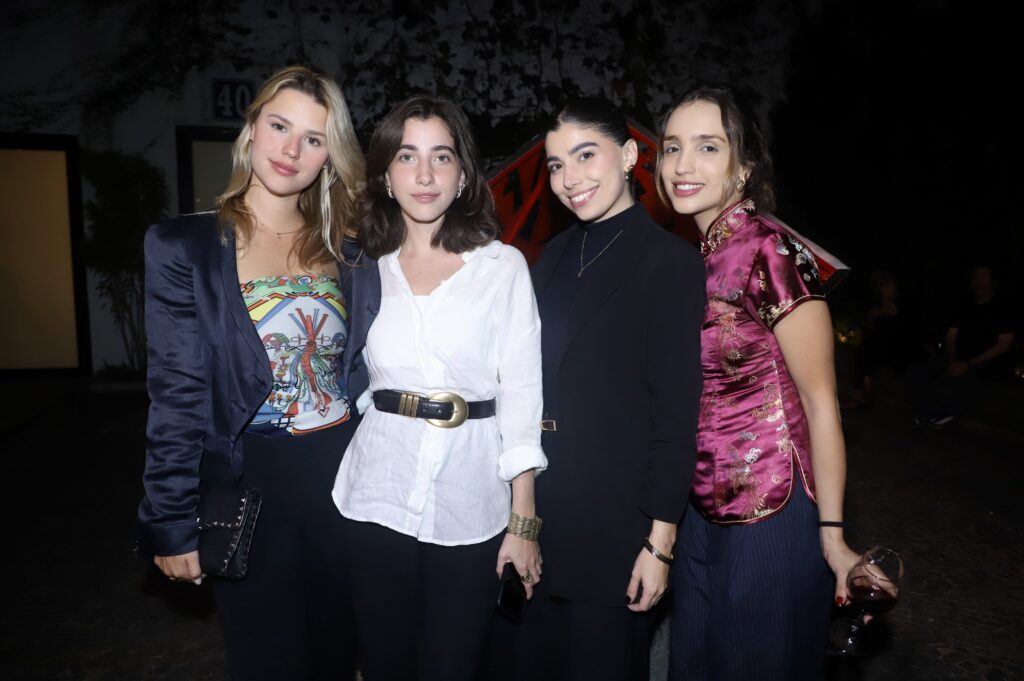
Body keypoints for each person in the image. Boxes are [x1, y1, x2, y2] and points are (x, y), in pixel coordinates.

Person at [136, 65, 374, 681]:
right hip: (250, 491)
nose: (291, 150)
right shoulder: (186, 246)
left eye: (313, 138)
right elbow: (177, 392)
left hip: (345, 487)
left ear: (329, 156)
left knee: (336, 659)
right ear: (251, 129)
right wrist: (170, 518)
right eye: (279, 126)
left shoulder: (350, 249)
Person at [329, 95, 546, 681]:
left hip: (470, 505)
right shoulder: (361, 267)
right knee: (384, 666)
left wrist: (523, 523)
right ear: (385, 174)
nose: (424, 175)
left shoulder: (501, 267)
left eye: (441, 156)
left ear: (463, 174)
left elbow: (523, 394)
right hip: (374, 496)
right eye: (407, 156)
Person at [496, 97, 704, 681]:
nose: (569, 179)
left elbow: (676, 419)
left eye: (586, 155)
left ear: (630, 156)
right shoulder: (550, 258)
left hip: (619, 532)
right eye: (556, 165)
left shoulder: (672, 264)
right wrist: (521, 518)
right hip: (543, 519)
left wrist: (660, 544)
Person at [657, 85, 861, 681]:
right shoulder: (691, 258)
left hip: (773, 505)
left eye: (707, 147)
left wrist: (833, 535)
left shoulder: (771, 250)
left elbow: (821, 403)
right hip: (699, 507)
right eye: (672, 147)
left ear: (744, 166)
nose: (683, 164)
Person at [910, 263, 1017, 427]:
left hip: (986, 360)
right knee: (921, 369)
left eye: (984, 277)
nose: (979, 281)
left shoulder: (1003, 308)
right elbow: (951, 336)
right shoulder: (964, 305)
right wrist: (953, 359)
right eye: (975, 277)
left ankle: (946, 413)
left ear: (993, 281)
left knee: (967, 378)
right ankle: (923, 411)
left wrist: (969, 364)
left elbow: (1003, 345)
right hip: (958, 356)